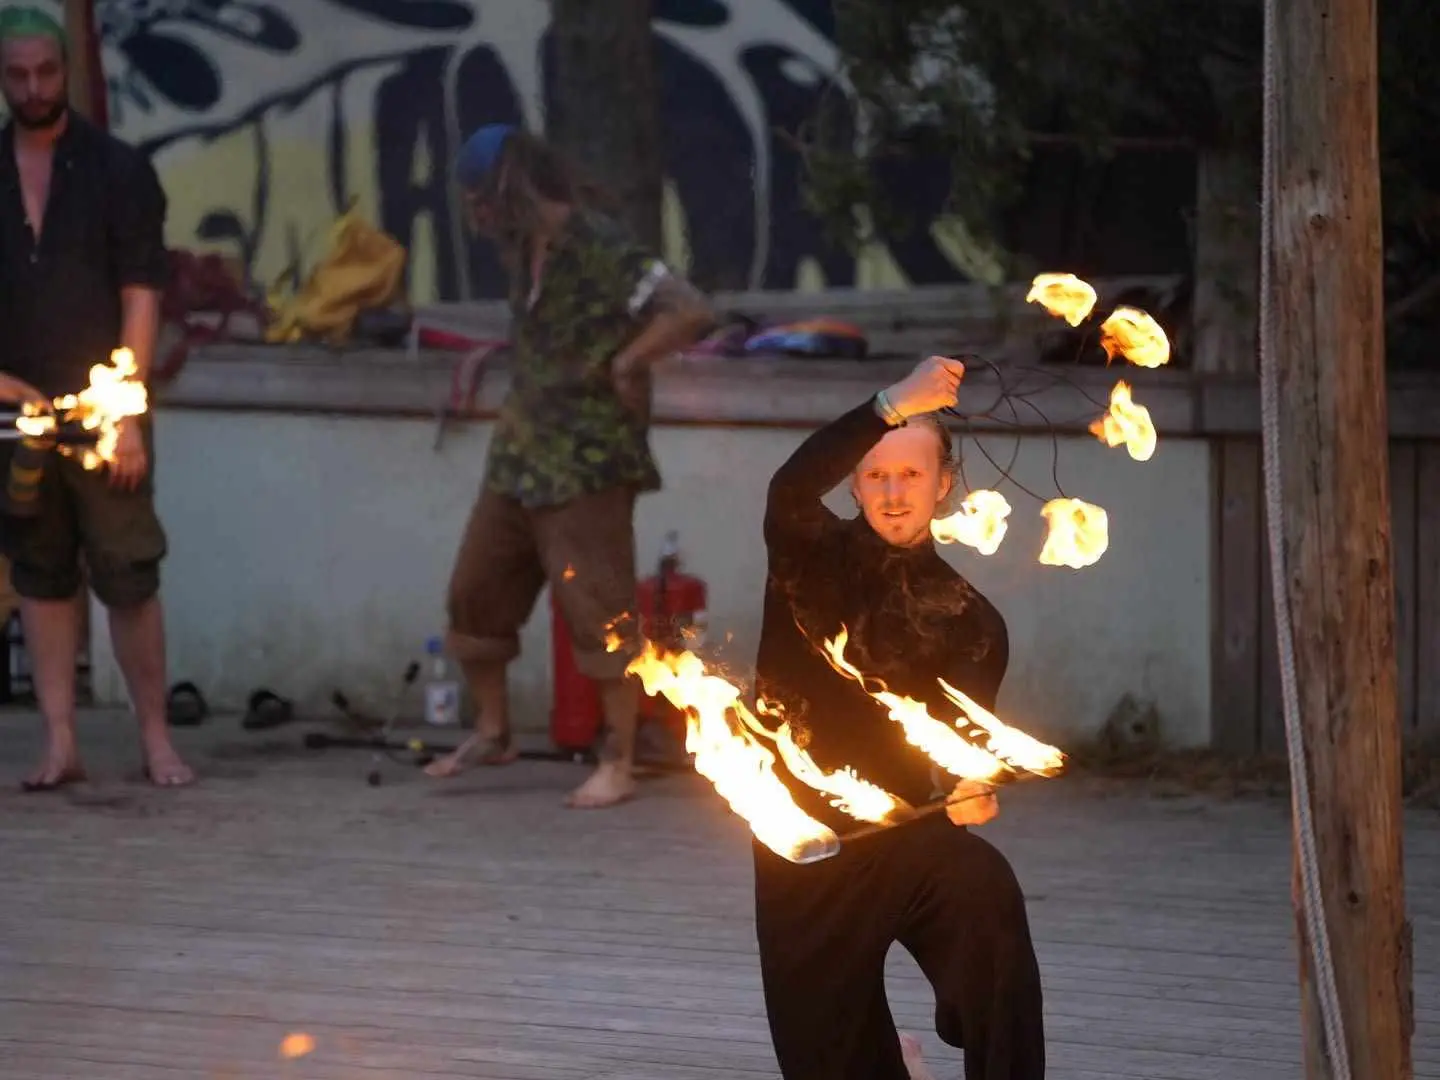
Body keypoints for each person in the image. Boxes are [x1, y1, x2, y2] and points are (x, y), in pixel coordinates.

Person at [752, 354, 1045, 1079]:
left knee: (987, 894)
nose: (891, 493)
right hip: (810, 852)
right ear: (853, 481)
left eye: (910, 475)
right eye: (876, 475)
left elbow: (964, 749)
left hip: (914, 842)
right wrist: (889, 402)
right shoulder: (809, 556)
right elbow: (789, 487)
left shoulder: (974, 622)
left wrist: (973, 786)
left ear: (943, 485)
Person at [424, 124, 715, 808]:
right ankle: (494, 732)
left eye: (483, 201)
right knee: (476, 592)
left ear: (513, 190)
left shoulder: (600, 245)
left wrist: (628, 360)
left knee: (599, 610)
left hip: (586, 461)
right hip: (519, 455)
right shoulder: (527, 251)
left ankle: (619, 760)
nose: (476, 218)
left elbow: (691, 309)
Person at [0, 7, 194, 790]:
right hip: (16, 409)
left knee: (128, 569)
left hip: (102, 403)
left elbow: (141, 295)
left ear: (66, 71)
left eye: (46, 71)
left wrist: (130, 415)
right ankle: (60, 743)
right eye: (17, 75)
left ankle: (155, 739)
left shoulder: (117, 169)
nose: (33, 87)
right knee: (41, 572)